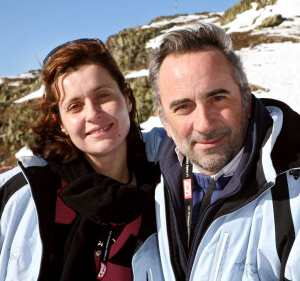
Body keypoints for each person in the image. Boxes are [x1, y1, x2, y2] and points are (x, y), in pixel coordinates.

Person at [132, 23, 300, 280]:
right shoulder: (159, 173)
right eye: (183, 106)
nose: (204, 124)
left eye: (218, 98)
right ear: (164, 120)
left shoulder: (292, 192)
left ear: (245, 98)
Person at [0, 38, 162, 280]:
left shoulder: (168, 184)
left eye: (103, 96)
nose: (93, 114)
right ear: (60, 123)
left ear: (127, 98)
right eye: (75, 106)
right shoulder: (27, 194)